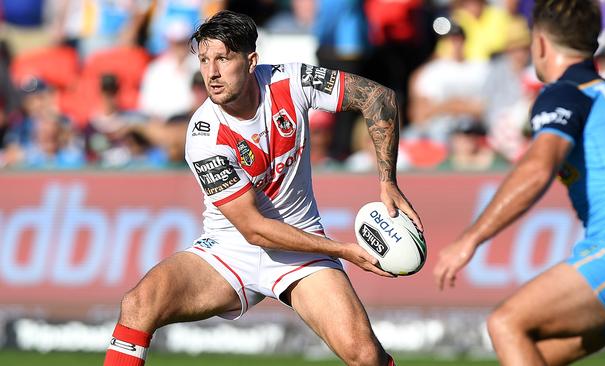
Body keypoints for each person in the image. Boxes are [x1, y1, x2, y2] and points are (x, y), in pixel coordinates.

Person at [103, 10, 422, 366]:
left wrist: (387, 180)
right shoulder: (205, 135)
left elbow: (377, 97)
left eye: (223, 59)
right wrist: (343, 250)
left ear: (251, 60)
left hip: (301, 251)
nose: (211, 72)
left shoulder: (291, 81)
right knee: (139, 303)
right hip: (230, 251)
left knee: (365, 356)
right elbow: (254, 230)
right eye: (205, 60)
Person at [434, 1, 605, 365]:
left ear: (541, 43)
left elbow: (537, 169)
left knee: (507, 323)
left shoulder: (564, 92)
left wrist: (469, 240)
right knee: (534, 356)